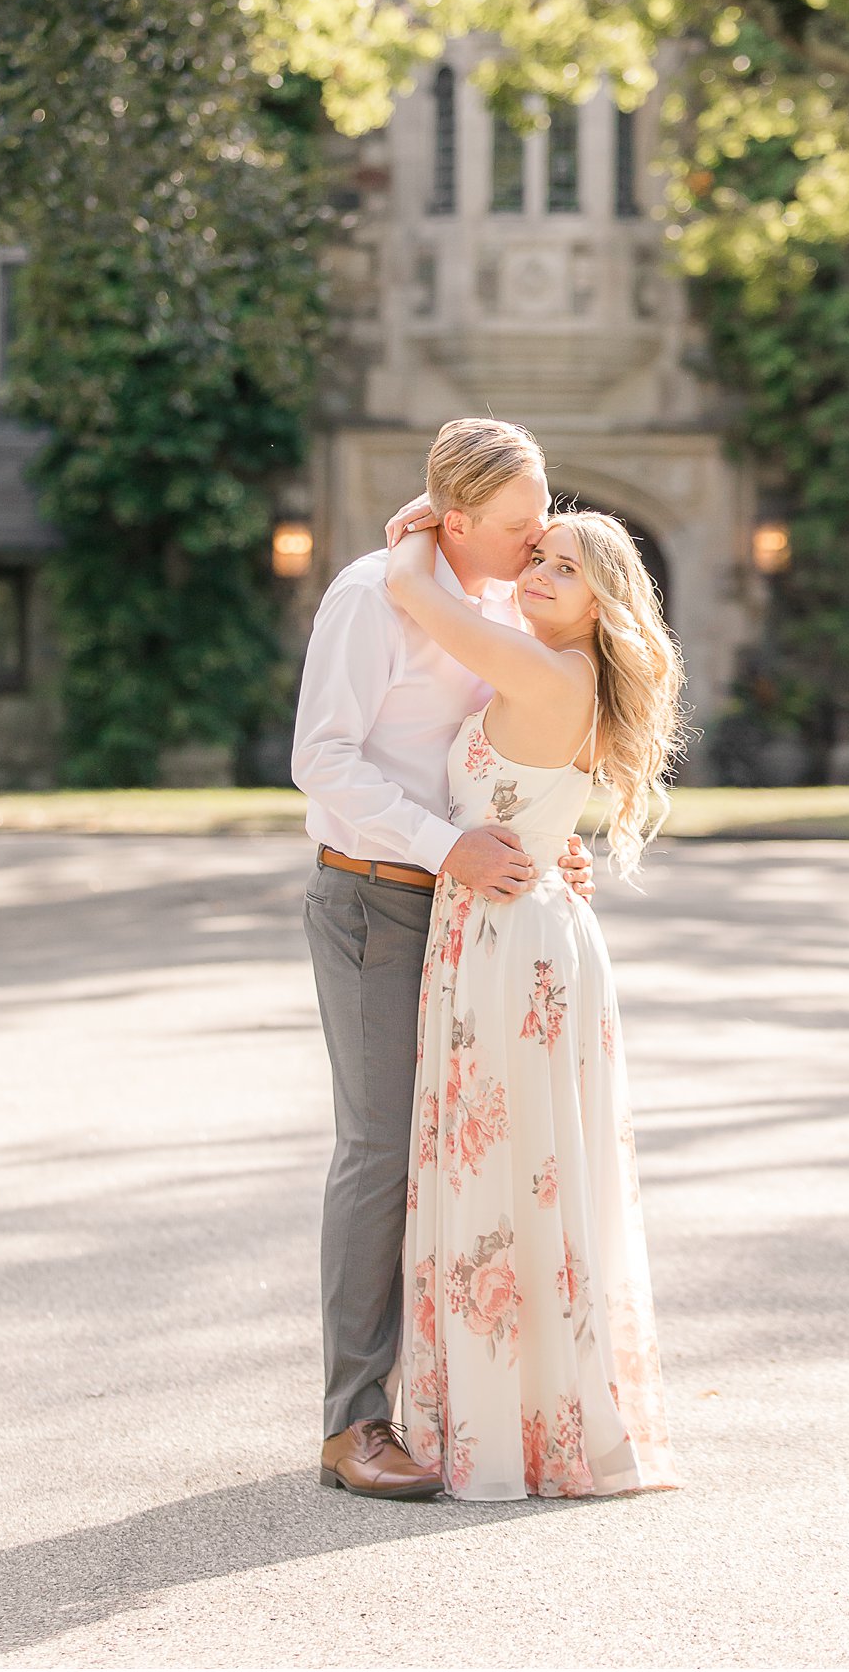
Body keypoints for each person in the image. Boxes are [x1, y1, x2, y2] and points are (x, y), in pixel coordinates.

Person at [291, 418, 595, 1501]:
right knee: (379, 1152)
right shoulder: (370, 595)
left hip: (475, 921)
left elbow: (498, 752)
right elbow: (318, 761)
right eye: (520, 522)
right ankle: (350, 1425)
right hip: (377, 899)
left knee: (451, 1154)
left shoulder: (493, 600)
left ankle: (439, 1393)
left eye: (544, 512)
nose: (538, 536)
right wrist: (446, 849)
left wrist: (532, 850)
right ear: (454, 518)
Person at [386, 503, 683, 1500]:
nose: (540, 573)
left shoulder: (551, 670)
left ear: (604, 602)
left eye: (565, 567)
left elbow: (412, 593)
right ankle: (510, 1413)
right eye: (539, 558)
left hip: (511, 944)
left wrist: (415, 522)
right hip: (511, 923)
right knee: (517, 1163)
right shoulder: (550, 666)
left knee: (515, 1166)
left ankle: (512, 1430)